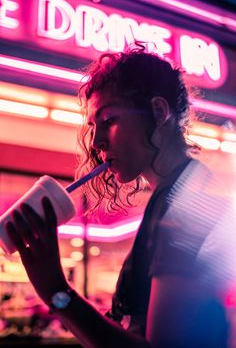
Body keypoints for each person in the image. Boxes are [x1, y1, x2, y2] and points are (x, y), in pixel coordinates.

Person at [5, 45, 230, 348]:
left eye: (109, 120)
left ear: (159, 112)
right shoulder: (177, 194)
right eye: (93, 127)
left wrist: (56, 290)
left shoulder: (187, 204)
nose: (96, 141)